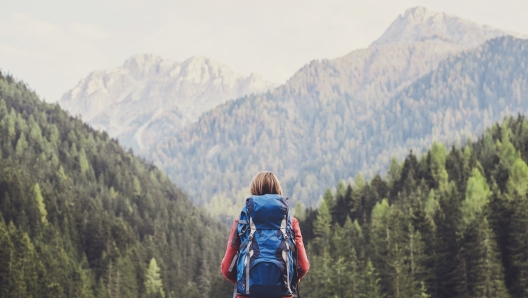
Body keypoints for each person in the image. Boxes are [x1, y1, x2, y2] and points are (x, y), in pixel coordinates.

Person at [221, 171, 310, 298]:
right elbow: (303, 266)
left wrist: (246, 281)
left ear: (254, 190)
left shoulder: (241, 222)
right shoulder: (291, 222)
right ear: (278, 189)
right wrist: (288, 280)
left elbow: (227, 268)